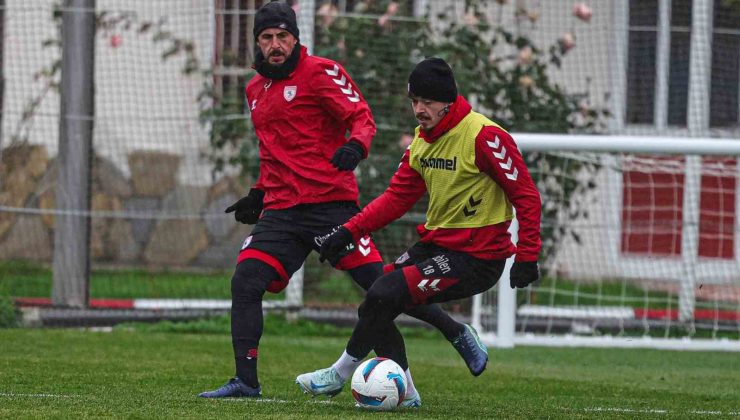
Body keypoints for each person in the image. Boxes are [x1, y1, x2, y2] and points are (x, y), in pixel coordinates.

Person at [198, 4, 487, 404]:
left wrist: (356, 145)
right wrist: (260, 194)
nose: (276, 45)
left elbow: (361, 116)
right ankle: (245, 382)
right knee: (245, 282)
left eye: (283, 36)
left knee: (380, 290)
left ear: (296, 38)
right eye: (267, 38)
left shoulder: (321, 72)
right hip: (282, 211)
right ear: (258, 43)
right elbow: (273, 151)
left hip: (332, 209)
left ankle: (445, 341)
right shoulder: (254, 90)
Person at [296, 57, 542, 402]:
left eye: (427, 102)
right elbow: (396, 199)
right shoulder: (422, 142)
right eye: (414, 101)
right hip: (438, 246)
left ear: (448, 101)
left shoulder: (484, 136)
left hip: (478, 258)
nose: (419, 109)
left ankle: (338, 374)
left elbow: (527, 196)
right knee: (376, 298)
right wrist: (348, 232)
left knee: (385, 294)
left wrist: (527, 254)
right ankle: (412, 386)